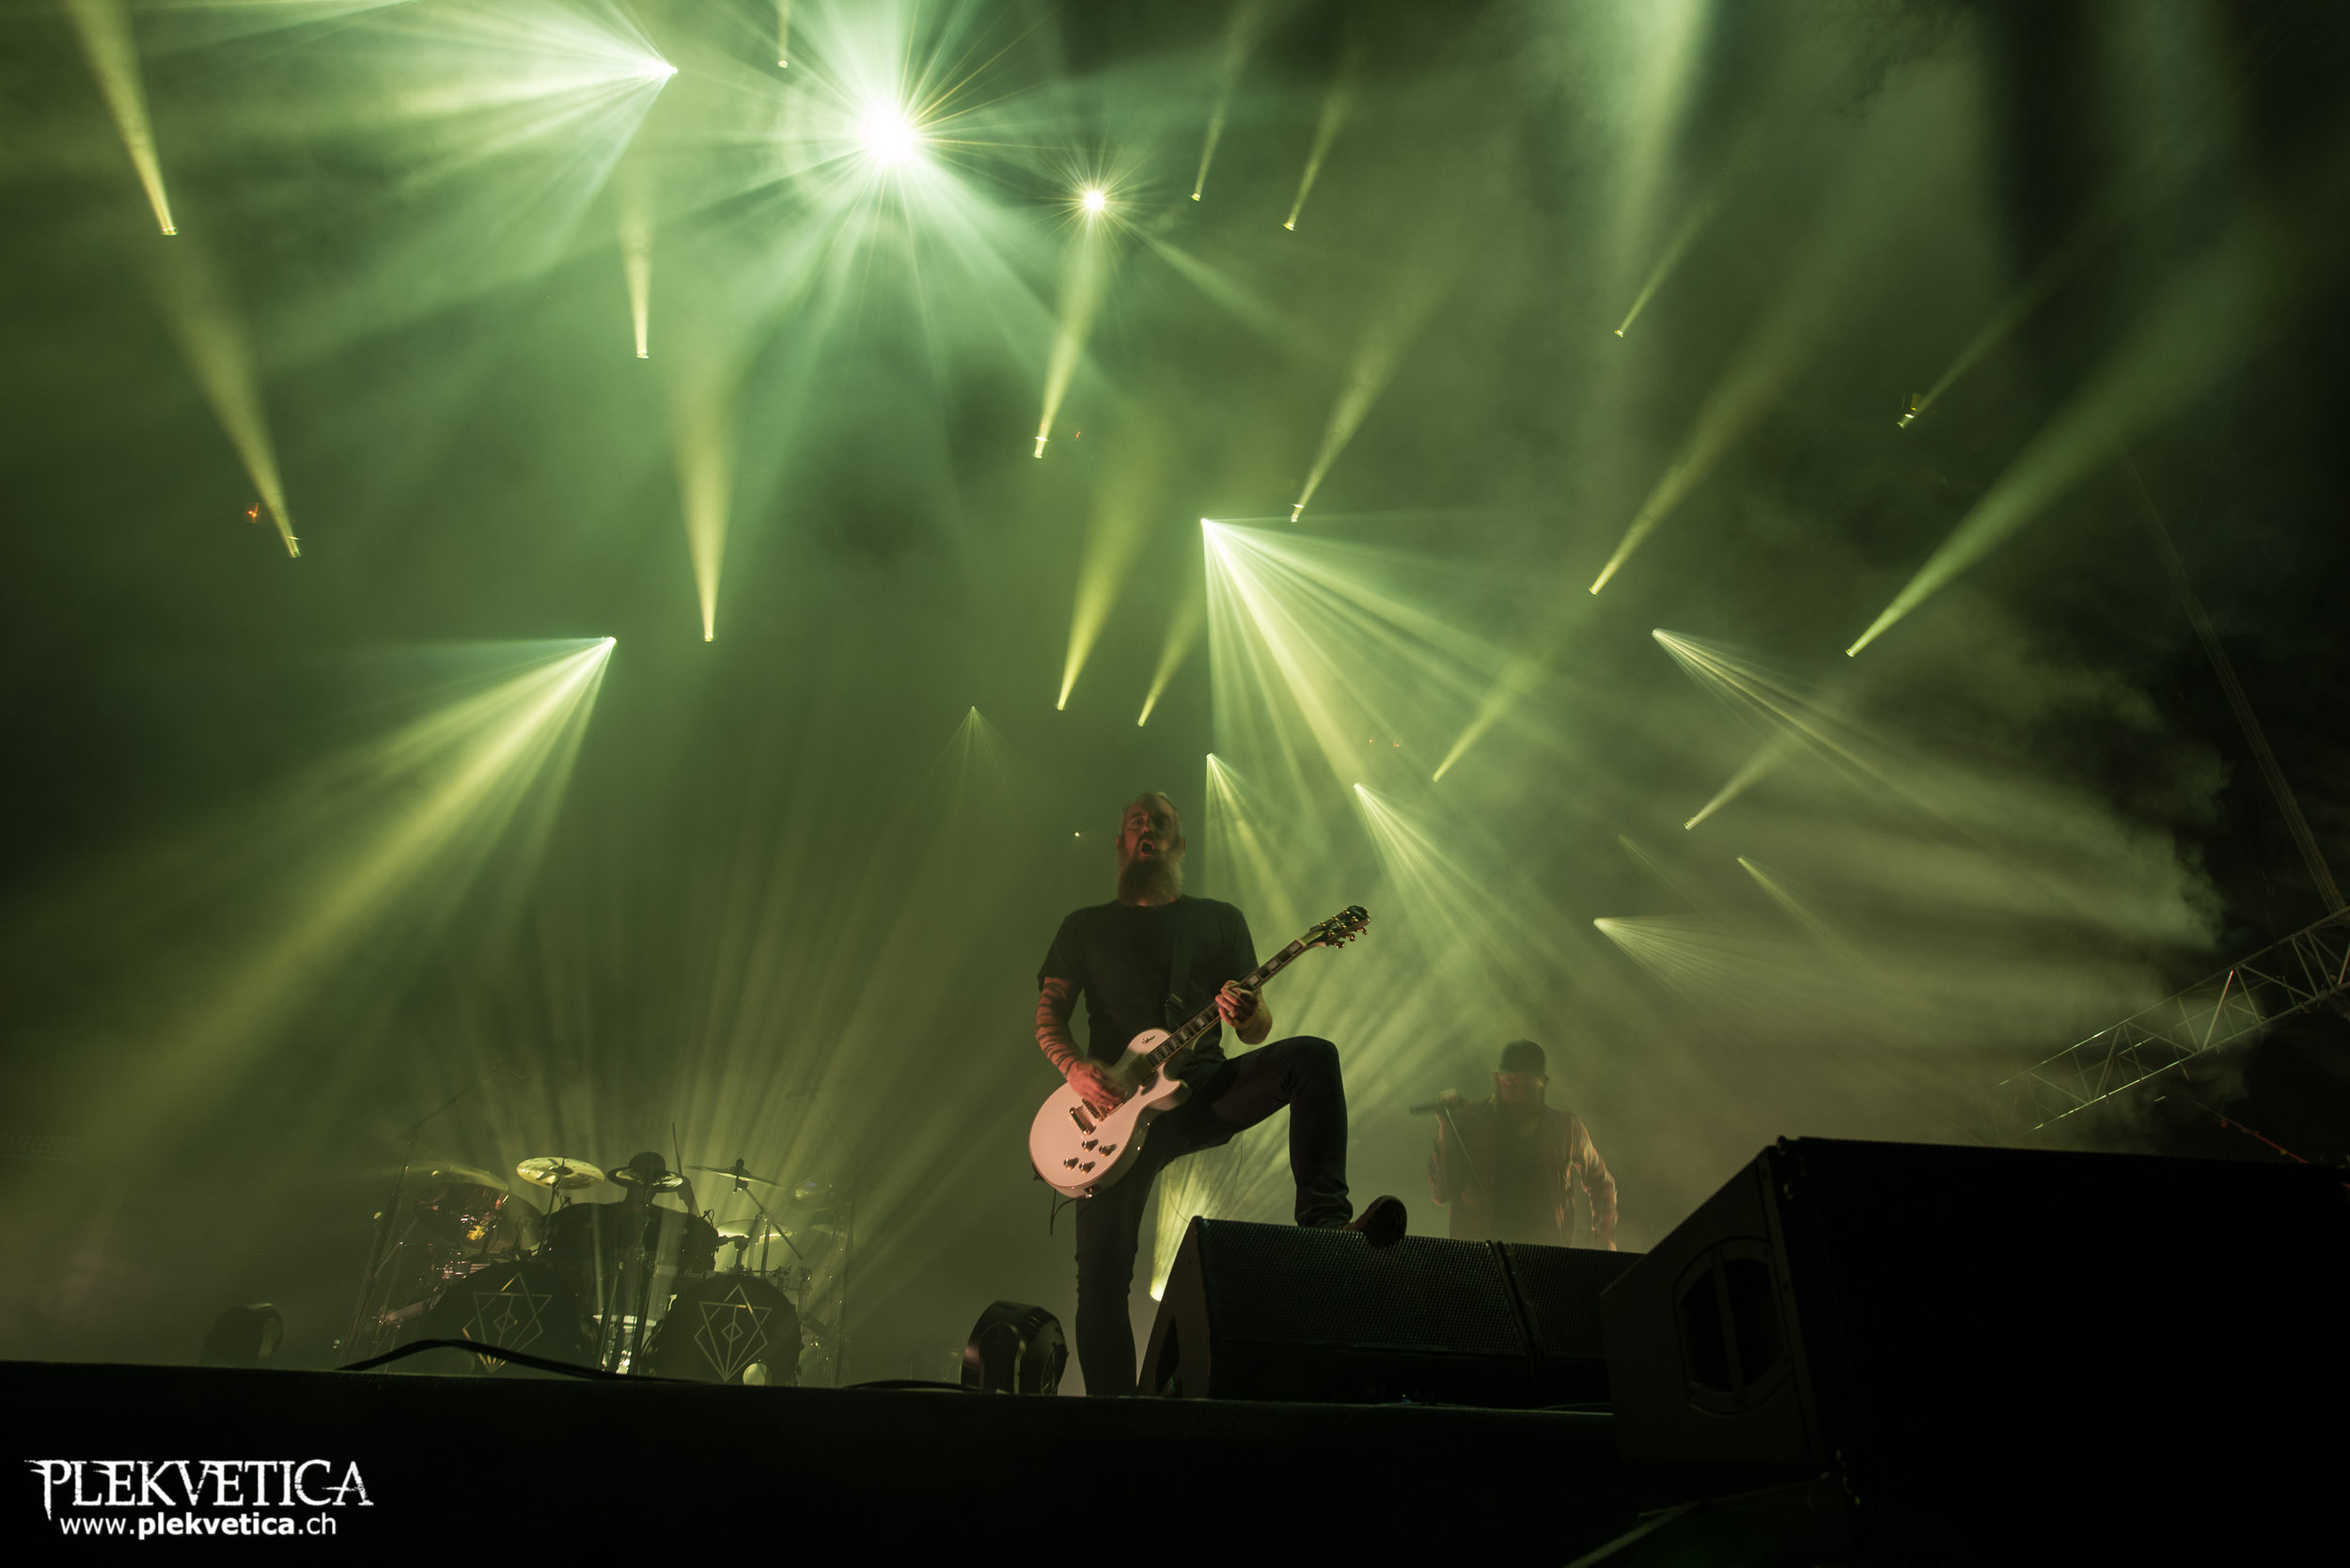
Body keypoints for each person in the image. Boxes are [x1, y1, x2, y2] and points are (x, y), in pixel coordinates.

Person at [1036, 791, 1404, 1396]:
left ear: (1179, 844)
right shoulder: (1085, 927)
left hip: (1200, 1090)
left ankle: (1326, 1227)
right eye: (1136, 822)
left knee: (1313, 1057)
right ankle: (1114, 1422)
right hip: (1110, 1115)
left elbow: (1257, 1029)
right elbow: (1048, 1015)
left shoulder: (1218, 920)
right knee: (1100, 1285)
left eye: (1160, 822)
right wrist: (1076, 1069)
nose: (1148, 829)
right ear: (1121, 844)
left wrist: (1250, 1013)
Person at [1427, 1040, 1616, 1248]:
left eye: (1529, 1088)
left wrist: (1604, 1234)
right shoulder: (1471, 1123)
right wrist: (1446, 1126)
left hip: (1547, 1256)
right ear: (1497, 1079)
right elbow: (1441, 1192)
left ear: (1544, 1083)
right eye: (1511, 1085)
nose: (1520, 1097)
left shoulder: (1566, 1128)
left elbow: (1601, 1181)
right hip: (1482, 1258)